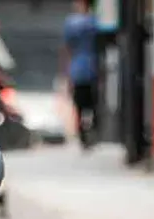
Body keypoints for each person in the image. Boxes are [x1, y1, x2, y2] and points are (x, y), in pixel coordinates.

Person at [63, 0, 99, 148]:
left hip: (79, 69)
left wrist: (66, 72)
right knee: (91, 105)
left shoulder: (71, 23)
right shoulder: (94, 21)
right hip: (91, 68)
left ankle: (84, 136)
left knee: (80, 105)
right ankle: (89, 132)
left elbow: (67, 48)